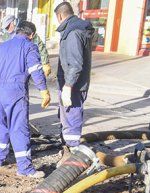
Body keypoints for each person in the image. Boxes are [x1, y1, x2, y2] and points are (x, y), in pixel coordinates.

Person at [0, 20, 52, 178]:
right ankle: (25, 168)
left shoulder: (0, 47)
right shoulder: (29, 46)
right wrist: (43, 90)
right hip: (16, 92)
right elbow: (35, 70)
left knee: (2, 126)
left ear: (17, 31)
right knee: (19, 128)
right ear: (32, 35)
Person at [54, 2, 93, 152]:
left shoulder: (73, 33)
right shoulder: (76, 29)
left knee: (71, 119)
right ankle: (68, 150)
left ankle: (72, 154)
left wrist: (68, 86)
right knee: (67, 118)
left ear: (60, 16)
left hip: (73, 86)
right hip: (73, 84)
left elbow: (76, 64)